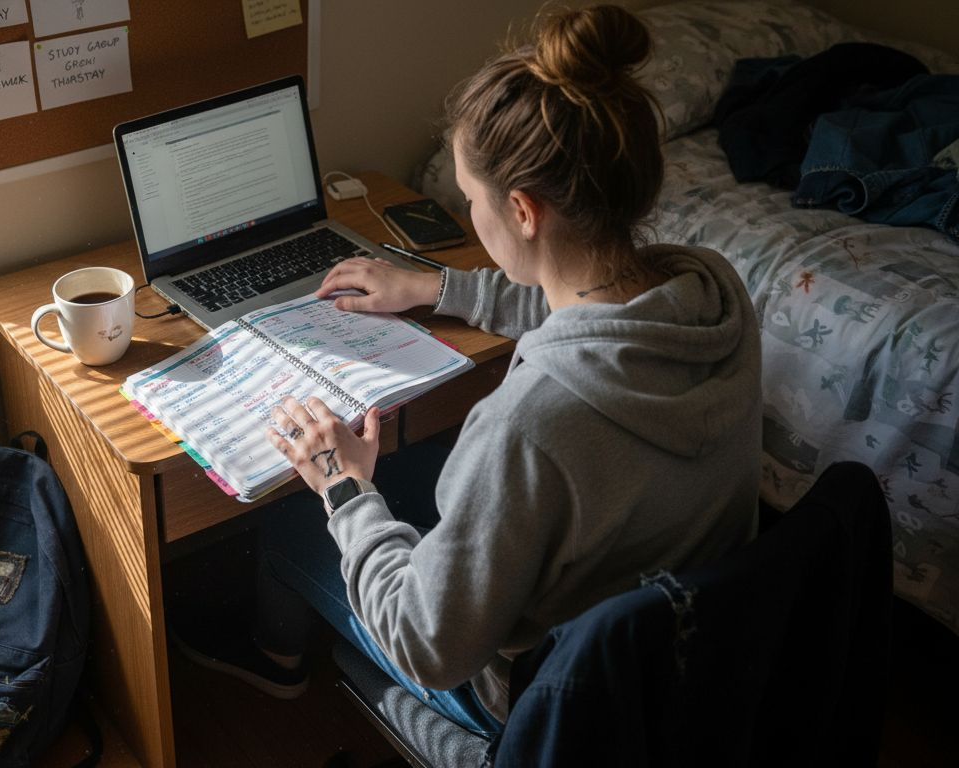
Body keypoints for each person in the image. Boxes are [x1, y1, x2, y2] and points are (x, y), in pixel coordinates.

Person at [175, 3, 762, 738]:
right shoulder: (711, 292)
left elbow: (429, 646)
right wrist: (438, 288)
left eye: (473, 199)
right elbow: (587, 309)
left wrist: (343, 488)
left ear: (522, 210)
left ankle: (277, 659)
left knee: (294, 519)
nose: (470, 215)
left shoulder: (532, 422)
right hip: (689, 652)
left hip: (546, 700)